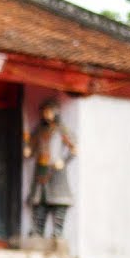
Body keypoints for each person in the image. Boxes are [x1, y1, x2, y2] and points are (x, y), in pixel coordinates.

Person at [24, 98, 77, 242]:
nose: (46, 115)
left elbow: (74, 148)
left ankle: (57, 233)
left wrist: (63, 161)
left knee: (58, 201)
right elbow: (32, 148)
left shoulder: (61, 130)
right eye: (44, 112)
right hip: (40, 168)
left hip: (56, 169)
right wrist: (28, 150)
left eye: (49, 111)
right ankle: (37, 232)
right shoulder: (39, 131)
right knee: (39, 201)